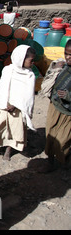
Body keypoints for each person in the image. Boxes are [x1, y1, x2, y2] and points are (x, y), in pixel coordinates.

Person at [0, 45, 36, 161]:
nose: (32, 63)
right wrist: (5, 102)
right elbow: (2, 88)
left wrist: (16, 105)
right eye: (31, 60)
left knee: (14, 131)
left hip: (17, 109)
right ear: (21, 58)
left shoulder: (30, 75)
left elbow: (27, 95)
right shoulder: (8, 70)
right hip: (4, 106)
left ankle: (8, 150)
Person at [44, 39, 71, 171]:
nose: (68, 57)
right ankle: (49, 163)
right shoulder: (64, 67)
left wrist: (67, 96)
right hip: (54, 106)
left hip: (68, 113)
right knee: (50, 135)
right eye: (66, 54)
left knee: (63, 139)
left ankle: (64, 162)